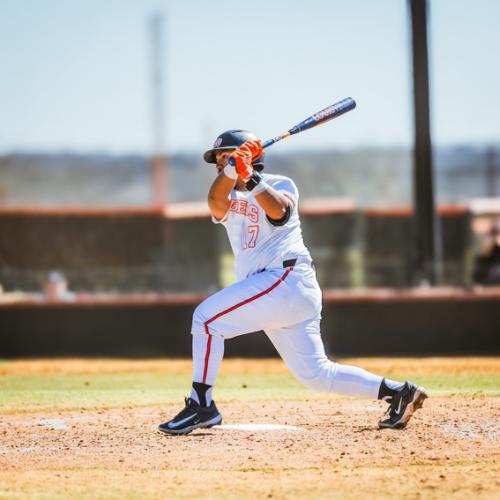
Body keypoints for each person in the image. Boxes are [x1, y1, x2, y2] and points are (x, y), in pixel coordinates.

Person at [159, 130, 427, 435]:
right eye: (219, 160)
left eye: (226, 156)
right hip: (277, 291)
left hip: (285, 279)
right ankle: (398, 392)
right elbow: (214, 201)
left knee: (206, 319)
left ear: (253, 157)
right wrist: (235, 168)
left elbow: (279, 212)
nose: (221, 164)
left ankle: (201, 404)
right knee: (316, 375)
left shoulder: (279, 183)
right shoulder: (227, 194)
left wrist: (251, 177)